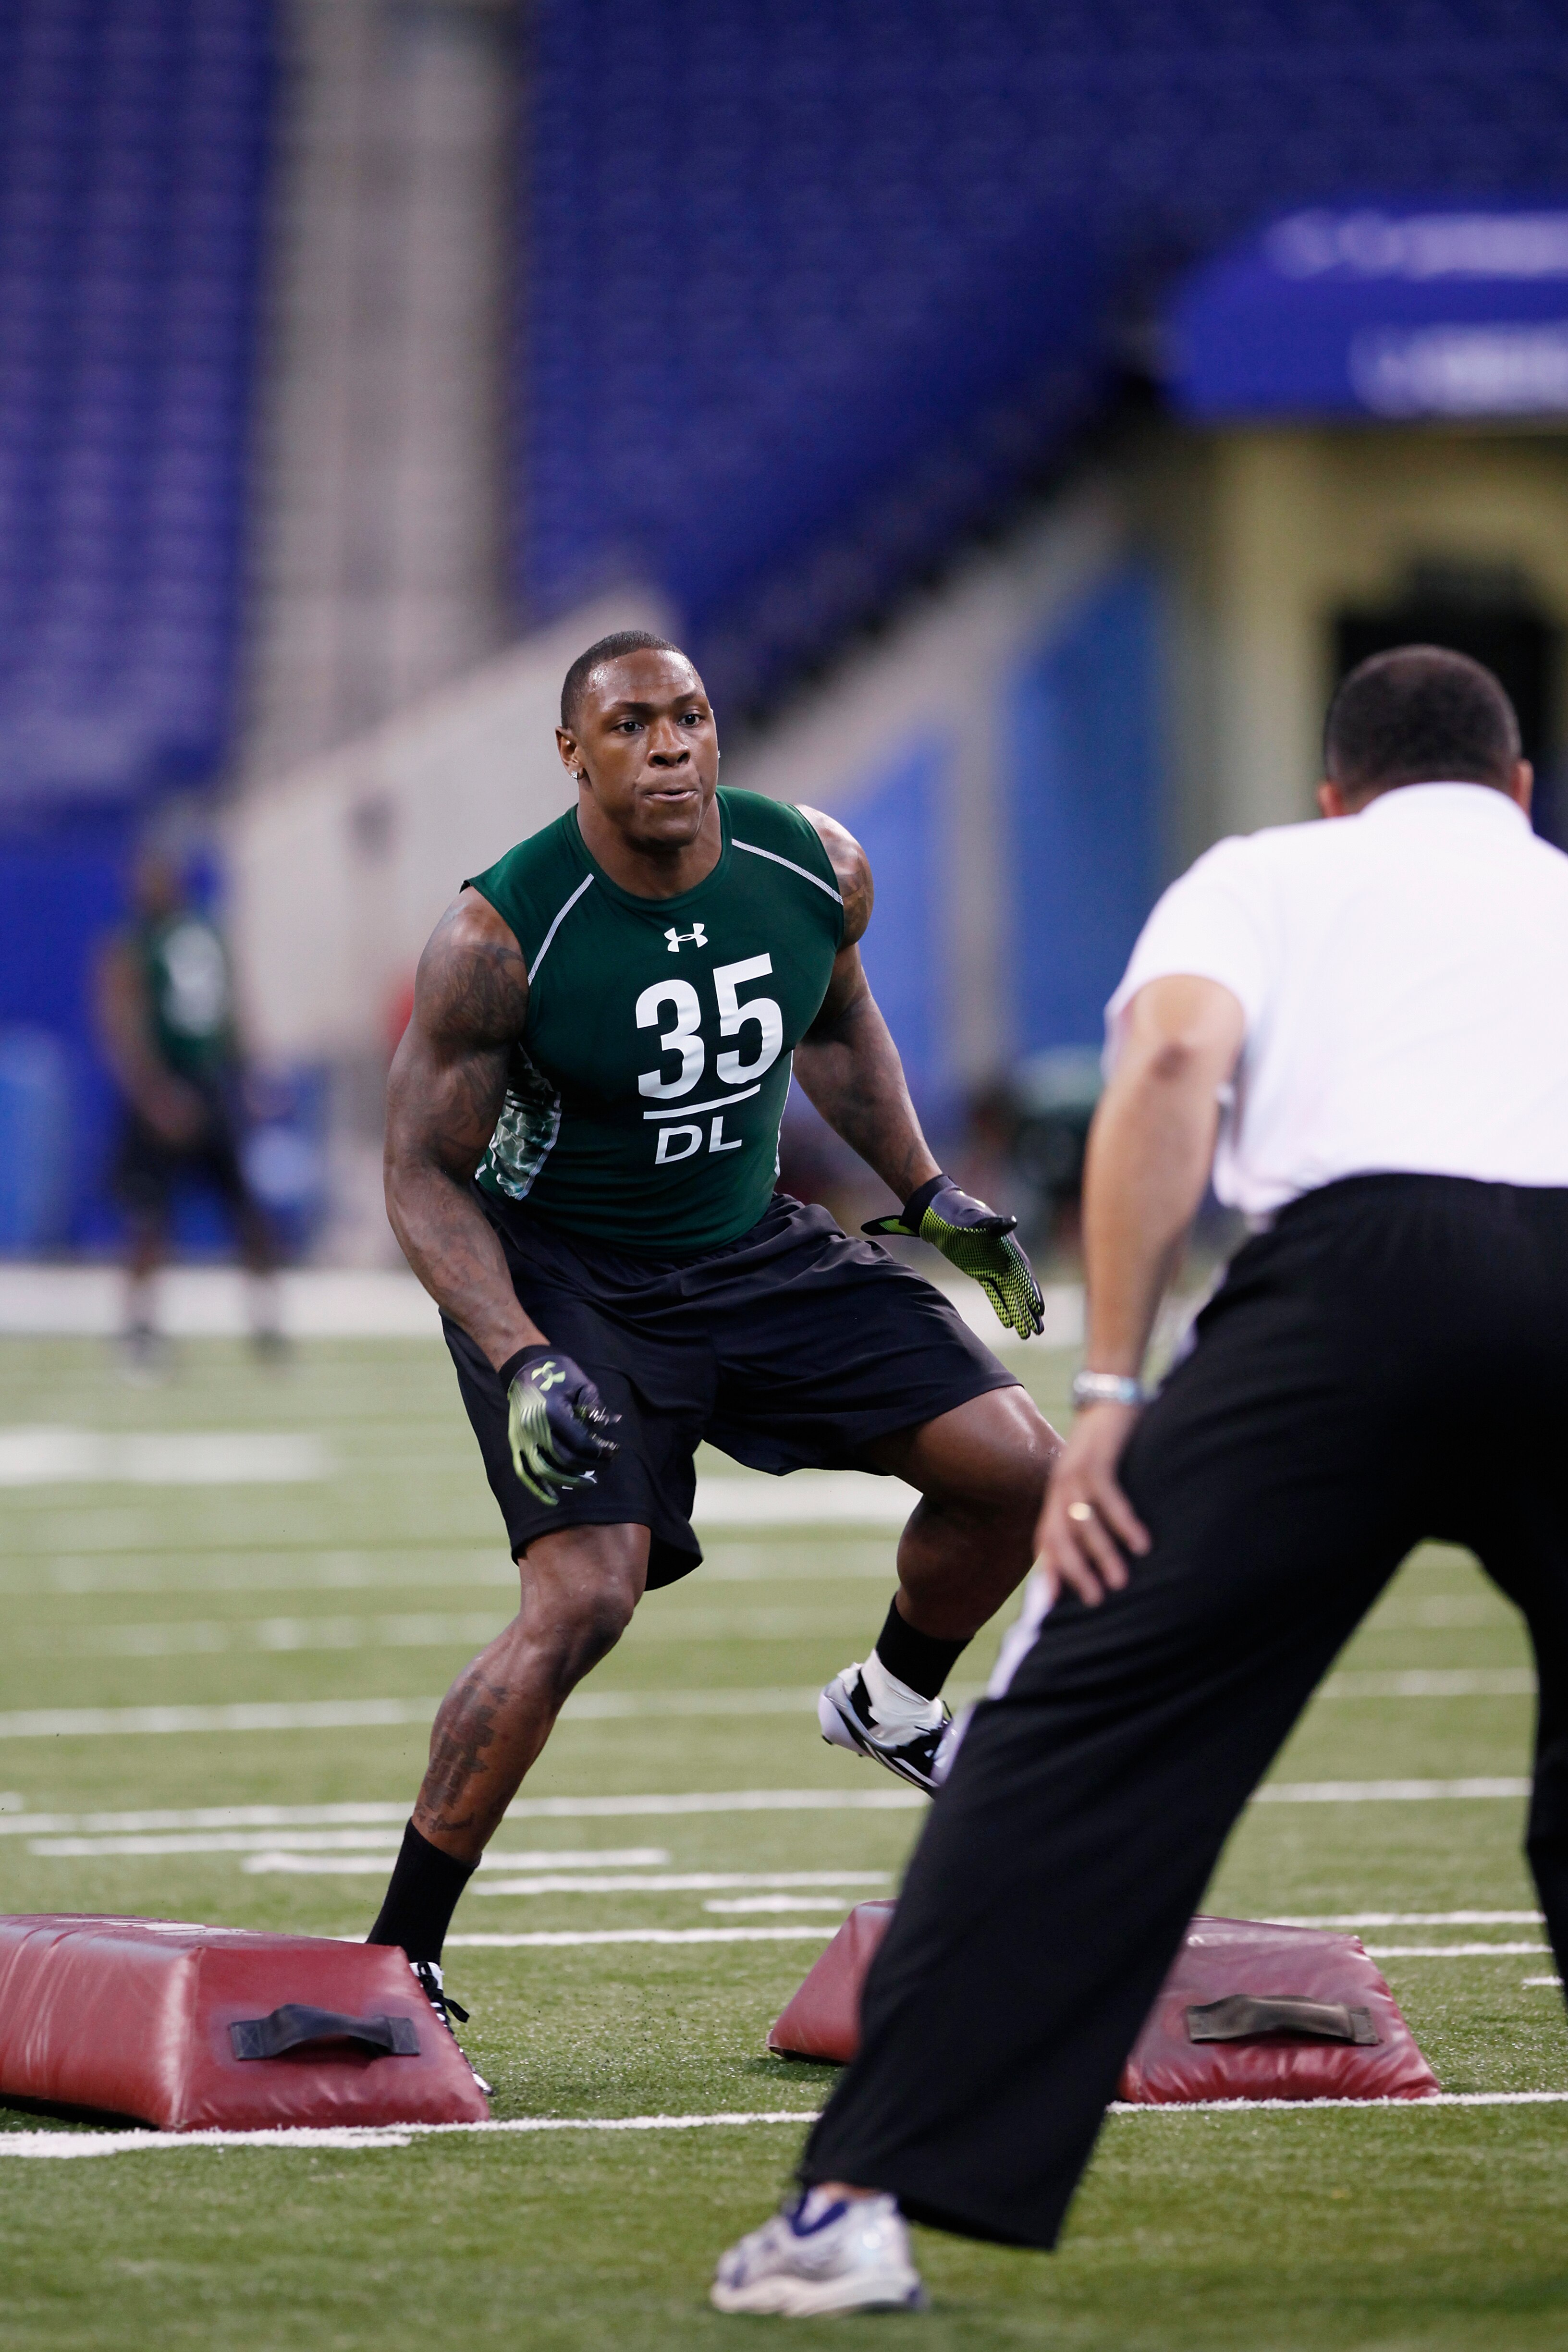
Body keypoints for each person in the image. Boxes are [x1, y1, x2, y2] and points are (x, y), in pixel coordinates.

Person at [712, 642, 1568, 2315]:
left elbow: (1170, 1070)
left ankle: (851, 2208)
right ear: (1518, 794)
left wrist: (1106, 1386)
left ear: (1333, 793)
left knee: (1077, 1734)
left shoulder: (1261, 874)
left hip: (1347, 1279)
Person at [365, 628, 1061, 2032]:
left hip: (752, 1248)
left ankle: (894, 1701)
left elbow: (838, 1025)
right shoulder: (500, 936)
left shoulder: (810, 864)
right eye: (630, 726)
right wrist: (518, 1354)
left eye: (687, 716)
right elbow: (419, 1176)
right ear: (572, 752)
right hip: (567, 1279)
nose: (668, 746)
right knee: (582, 1602)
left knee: (1021, 1468)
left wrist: (925, 1195)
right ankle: (399, 1955)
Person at [96, 846, 282, 1370]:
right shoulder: (132, 944)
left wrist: (251, 1075)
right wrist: (154, 1095)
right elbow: (122, 1024)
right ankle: (138, 1328)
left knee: (248, 1213)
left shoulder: (205, 933)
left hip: (210, 1085)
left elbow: (233, 1009)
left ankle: (268, 1326)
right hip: (163, 1089)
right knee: (149, 1218)